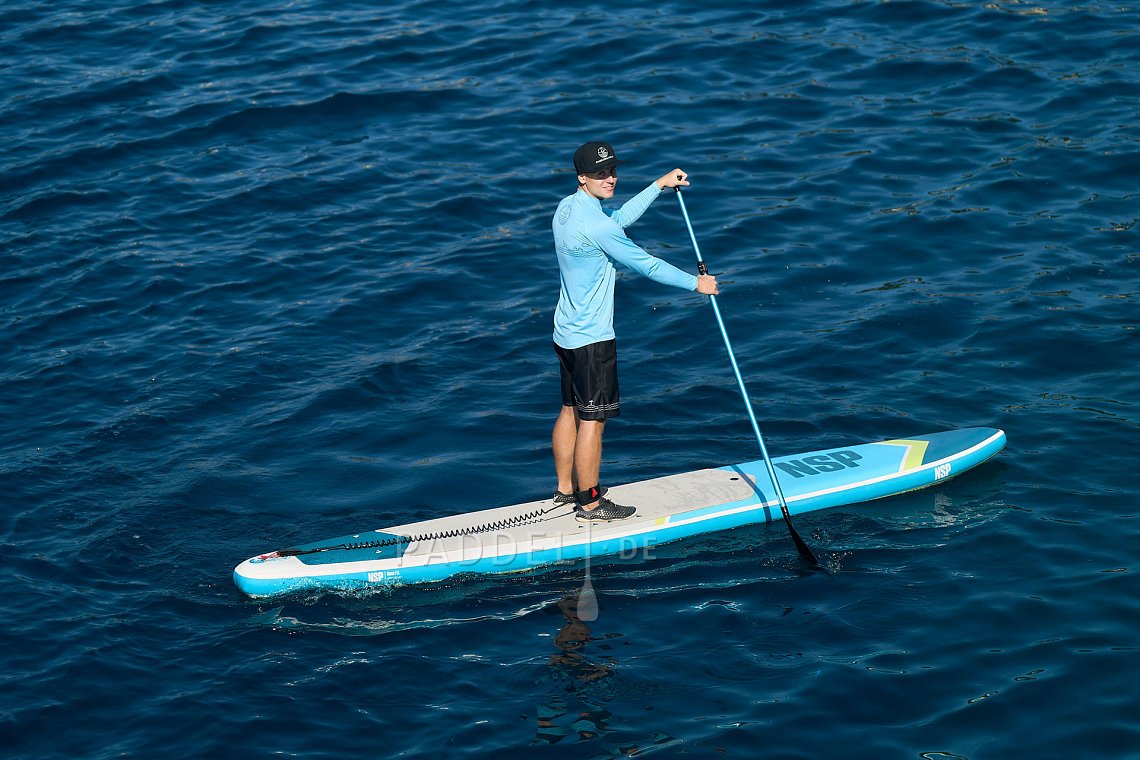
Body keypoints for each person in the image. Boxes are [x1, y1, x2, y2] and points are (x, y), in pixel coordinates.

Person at [551, 141, 719, 522]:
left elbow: (616, 220)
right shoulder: (595, 225)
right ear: (582, 177)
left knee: (570, 408)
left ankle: (564, 491)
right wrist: (696, 284)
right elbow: (647, 265)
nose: (609, 178)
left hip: (564, 331)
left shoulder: (567, 208)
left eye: (612, 170)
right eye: (599, 174)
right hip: (592, 338)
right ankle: (590, 504)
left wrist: (657, 186)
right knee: (594, 419)